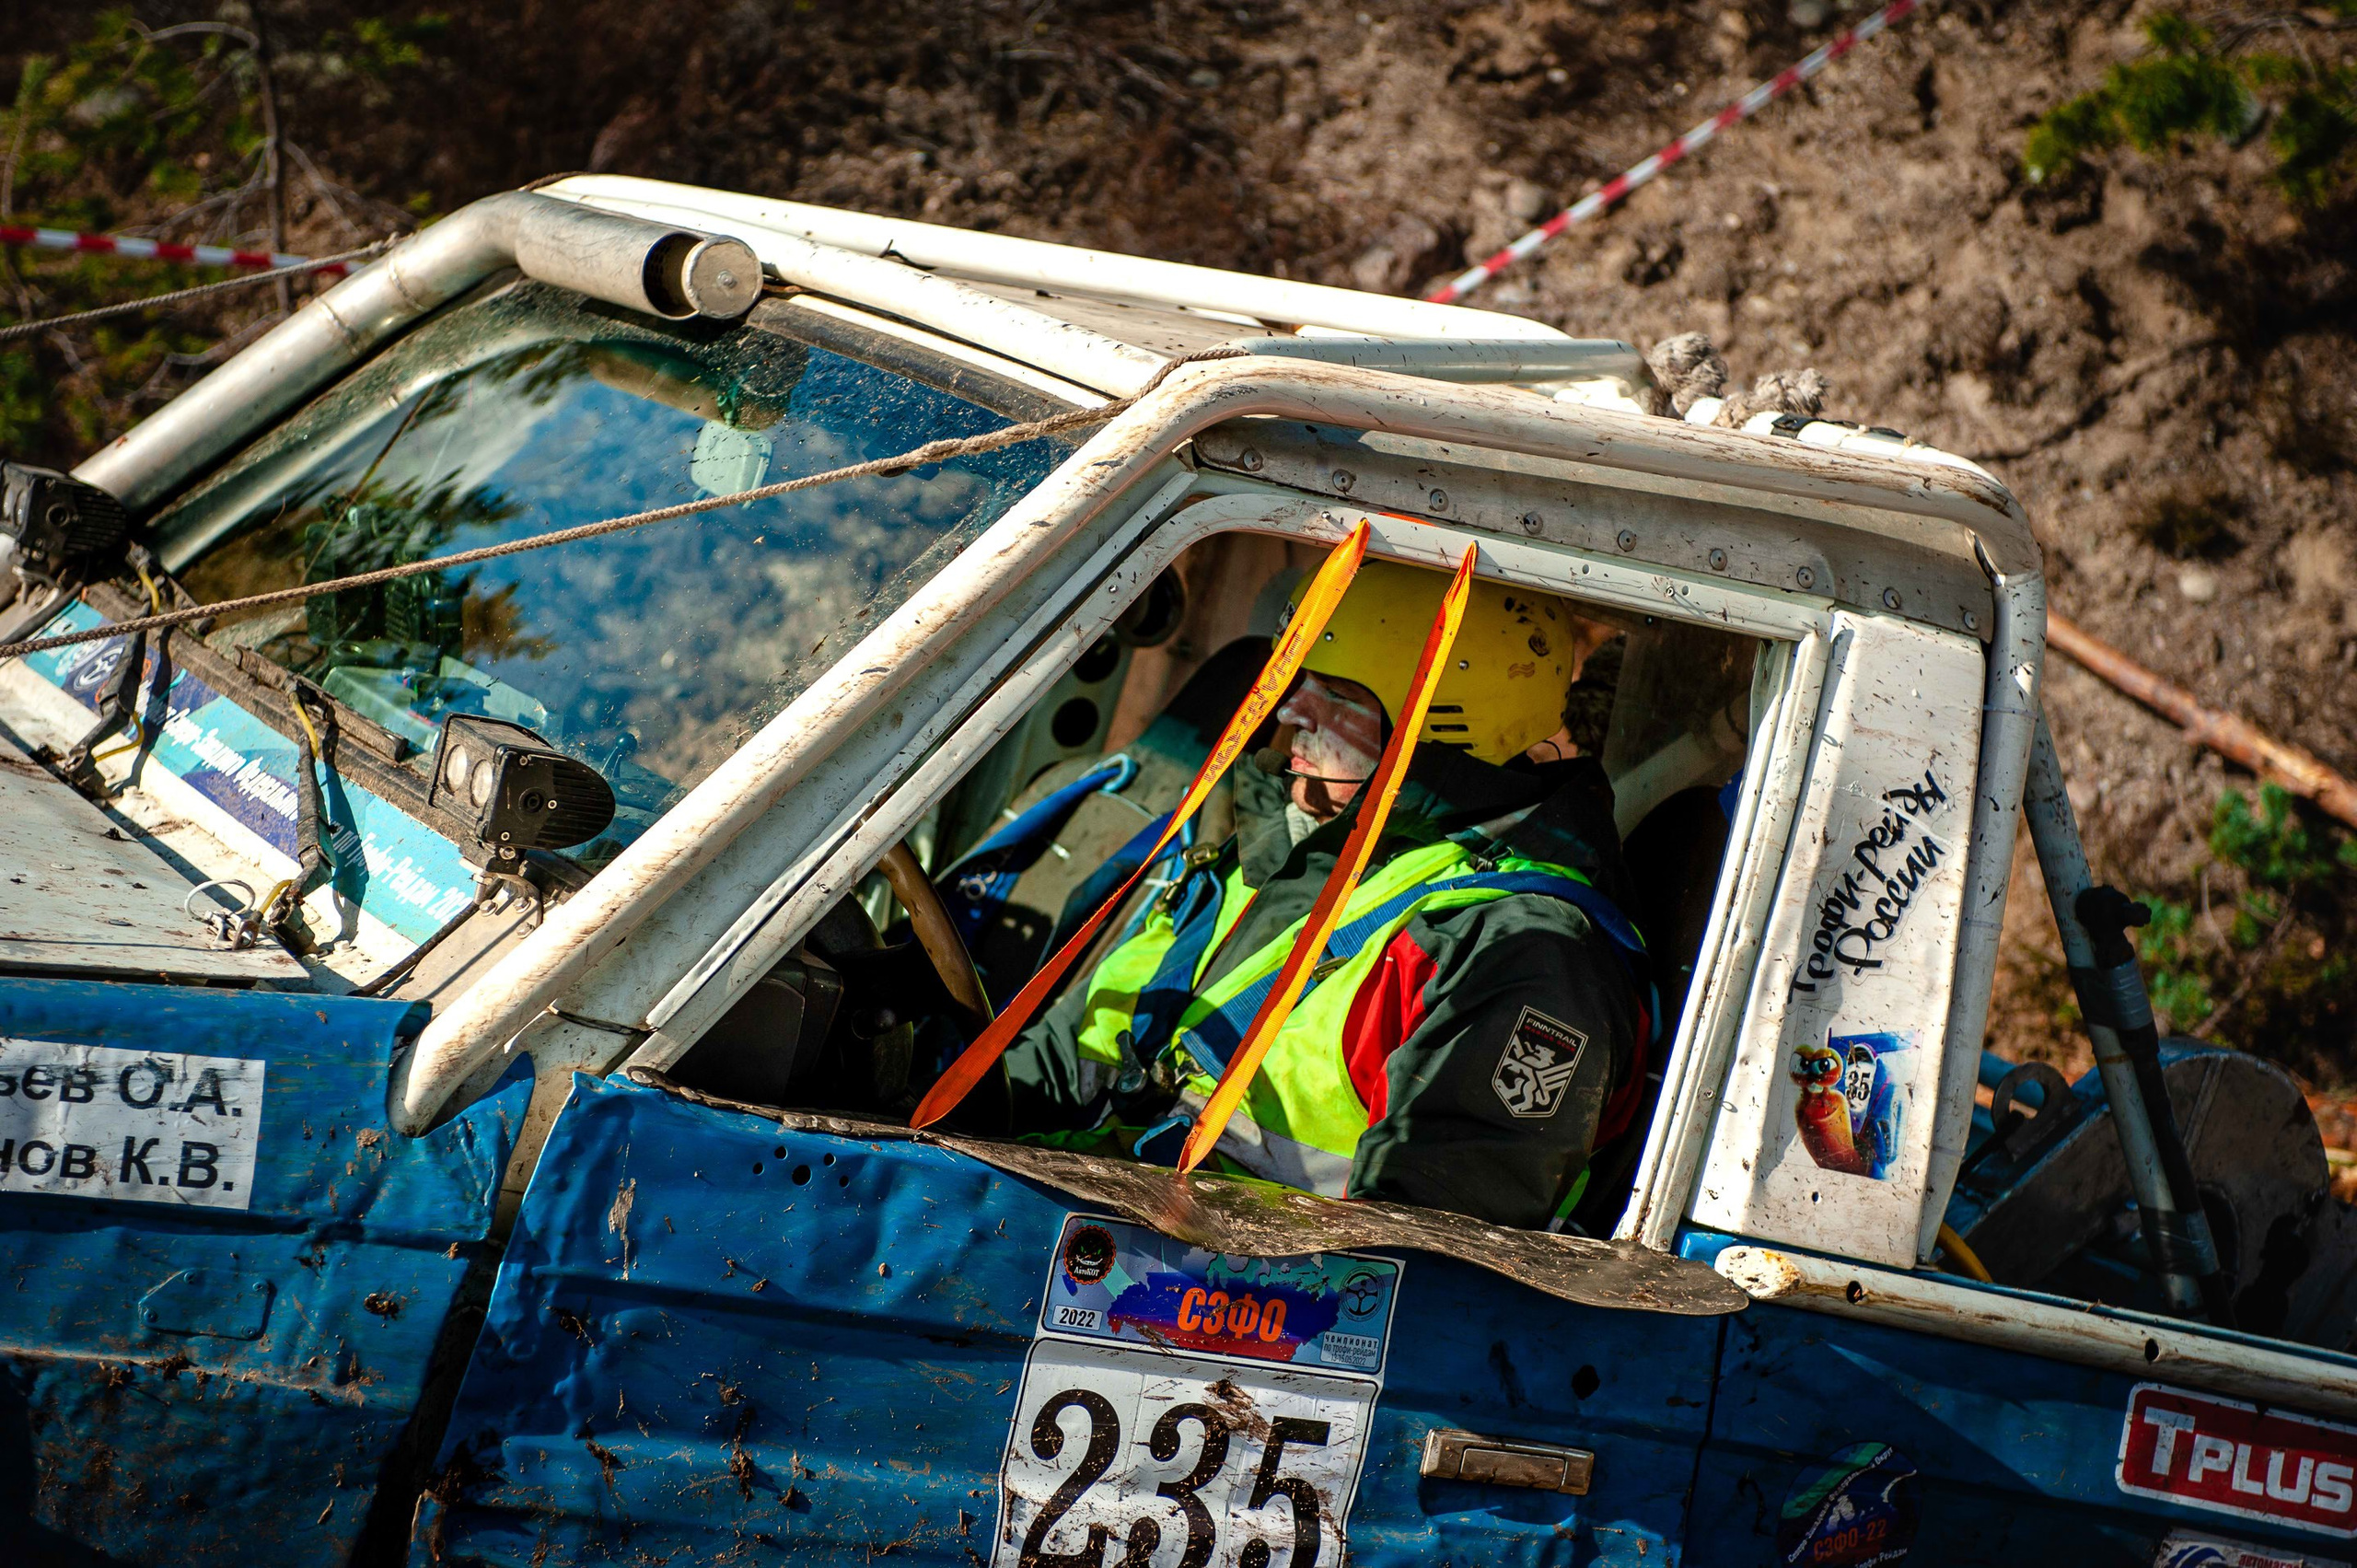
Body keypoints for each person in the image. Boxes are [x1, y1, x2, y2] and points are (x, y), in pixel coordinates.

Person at [997, 560, 1650, 1231]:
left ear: (1439, 722)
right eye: (1299, 678)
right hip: (1081, 1222)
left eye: (1335, 692)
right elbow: (1071, 1060)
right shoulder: (1285, 843)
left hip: (1218, 1282)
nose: (1290, 710)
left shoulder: (1521, 951)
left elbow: (1419, 1258)